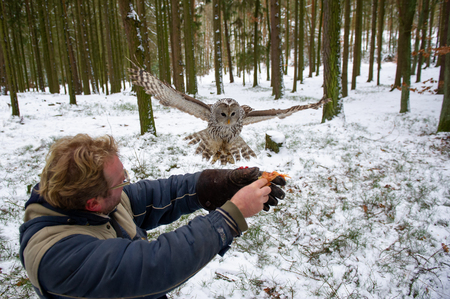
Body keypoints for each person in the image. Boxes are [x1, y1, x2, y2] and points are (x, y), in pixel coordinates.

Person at [19, 134, 286, 299]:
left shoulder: (96, 204)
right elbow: (155, 265)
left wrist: (218, 184)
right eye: (120, 181)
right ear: (92, 203)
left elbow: (160, 195)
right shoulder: (58, 258)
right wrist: (231, 215)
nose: (126, 183)